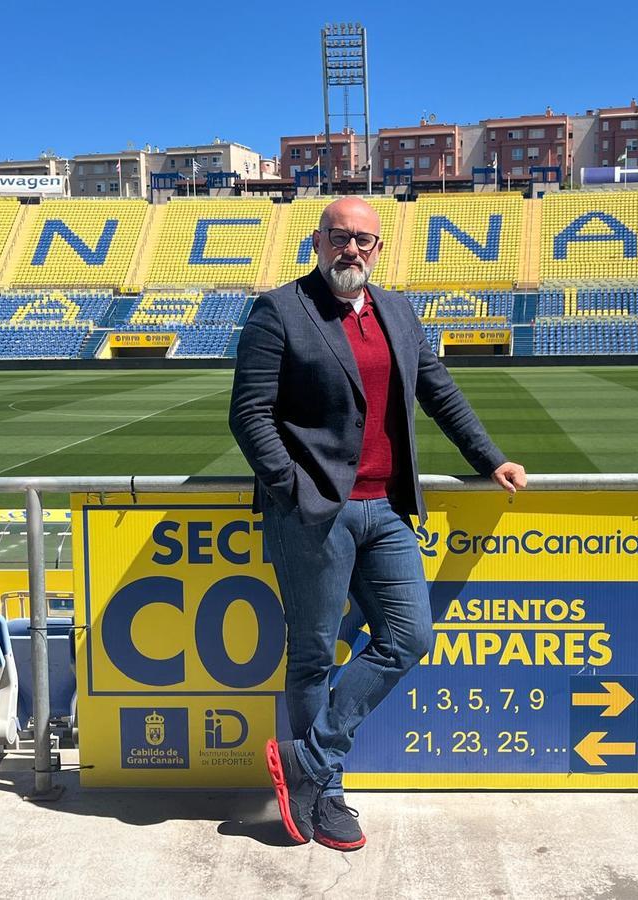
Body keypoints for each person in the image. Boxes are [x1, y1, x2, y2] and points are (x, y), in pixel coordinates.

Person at [229, 196, 527, 851]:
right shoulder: (280, 310)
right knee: (313, 654)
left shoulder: (396, 310)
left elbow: (440, 392)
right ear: (318, 241)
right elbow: (249, 413)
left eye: (363, 239)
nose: (351, 249)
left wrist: (491, 458)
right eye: (340, 236)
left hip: (388, 510)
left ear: (378, 249)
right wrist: (294, 490)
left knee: (409, 636)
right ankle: (327, 795)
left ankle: (307, 762)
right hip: (315, 514)